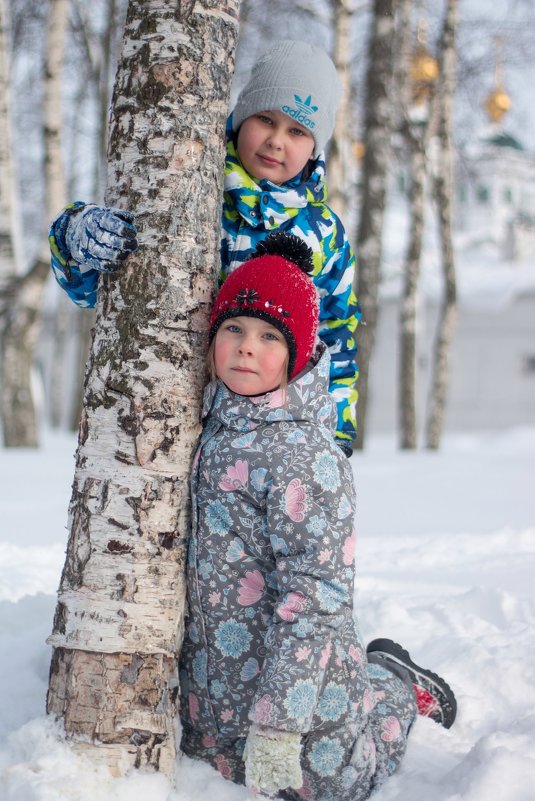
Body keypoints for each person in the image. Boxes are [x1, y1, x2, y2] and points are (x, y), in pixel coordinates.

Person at [178, 231, 457, 800]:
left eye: (268, 336)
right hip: (221, 678)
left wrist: (281, 723)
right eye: (232, 328)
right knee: (221, 769)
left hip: (304, 681)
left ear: (298, 353)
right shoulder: (209, 425)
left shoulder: (305, 455)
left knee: (337, 784)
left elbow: (319, 595)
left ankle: (392, 686)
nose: (245, 348)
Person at [48, 40, 360, 455]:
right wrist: (76, 236)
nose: (276, 141)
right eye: (265, 119)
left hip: (268, 431)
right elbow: (98, 294)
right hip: (162, 409)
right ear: (240, 117)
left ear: (316, 147)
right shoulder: (188, 185)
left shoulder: (324, 235)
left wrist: (334, 433)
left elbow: (336, 337)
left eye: (297, 130)